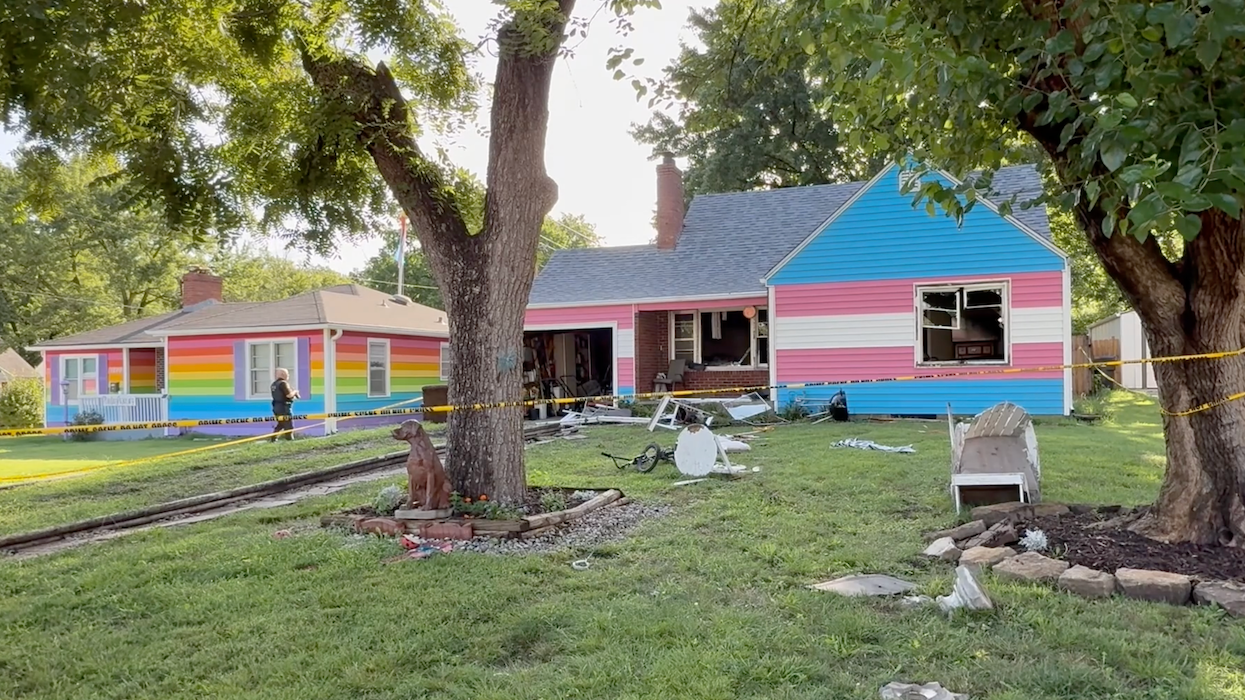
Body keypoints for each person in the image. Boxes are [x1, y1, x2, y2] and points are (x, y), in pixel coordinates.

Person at [270, 368, 300, 441]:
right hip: (284, 407)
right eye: (287, 374)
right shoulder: (283, 383)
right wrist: (295, 392)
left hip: (276, 407)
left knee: (281, 423)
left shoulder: (273, 384)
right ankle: (290, 440)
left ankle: (273, 438)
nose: (288, 375)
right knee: (288, 425)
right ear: (283, 374)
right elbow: (289, 395)